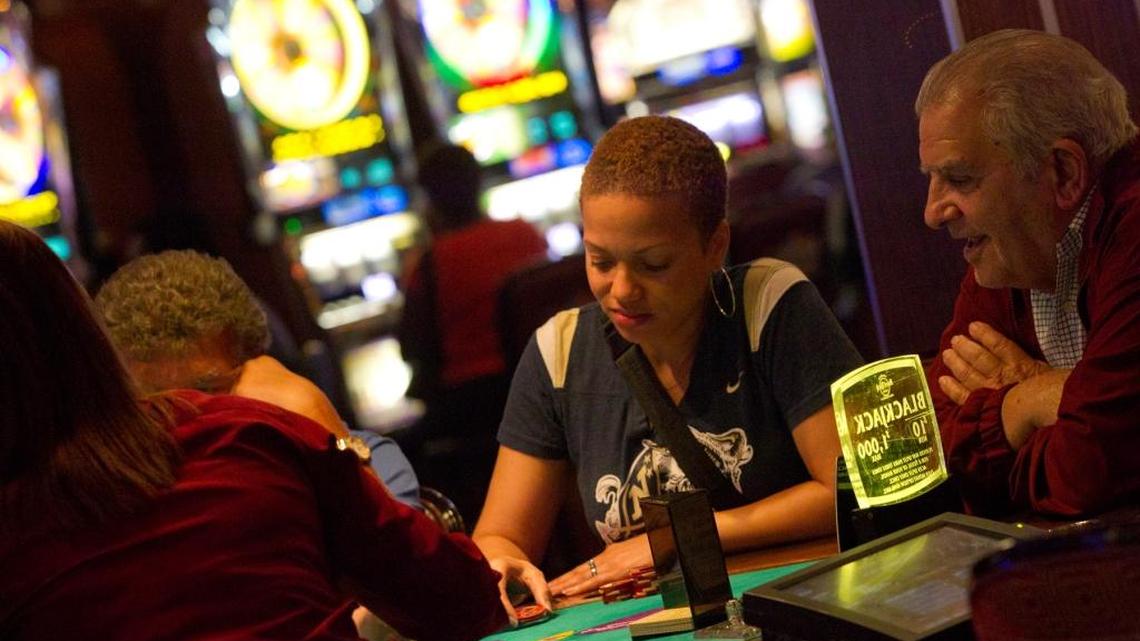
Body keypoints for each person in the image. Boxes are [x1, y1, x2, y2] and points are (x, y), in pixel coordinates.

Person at [0, 220, 511, 640]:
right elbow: (463, 602)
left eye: (208, 384)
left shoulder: (256, 432)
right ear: (86, 331)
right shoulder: (250, 433)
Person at [473, 115, 864, 604]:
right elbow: (500, 537)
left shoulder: (768, 303)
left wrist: (679, 539)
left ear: (715, 246)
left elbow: (847, 486)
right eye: (600, 260)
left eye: (653, 264)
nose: (621, 290)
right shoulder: (558, 350)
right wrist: (498, 560)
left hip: (798, 599)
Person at [918, 29, 1140, 517]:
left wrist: (1025, 416)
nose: (932, 212)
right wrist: (1032, 398)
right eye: (931, 179)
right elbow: (928, 455)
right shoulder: (1015, 251)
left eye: (959, 179)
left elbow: (1087, 474)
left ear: (1063, 172)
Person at [94, 249, 422, 509]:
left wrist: (316, 417)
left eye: (204, 391)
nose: (180, 419)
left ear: (258, 371)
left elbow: (402, 568)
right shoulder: (111, 503)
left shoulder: (369, 460)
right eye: (154, 401)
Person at [397, 141, 548, 521]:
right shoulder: (525, 234)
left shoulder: (431, 262)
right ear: (479, 183)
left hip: (472, 407)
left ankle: (457, 533)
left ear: (430, 200)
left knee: (394, 450)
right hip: (546, 389)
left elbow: (410, 348)